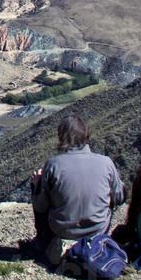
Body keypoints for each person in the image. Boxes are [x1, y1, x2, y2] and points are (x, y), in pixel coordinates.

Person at [29, 113, 126, 267]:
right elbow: (120, 197)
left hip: (62, 231)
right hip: (98, 230)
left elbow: (41, 205)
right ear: (86, 135)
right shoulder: (106, 163)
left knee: (39, 190)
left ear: (61, 137)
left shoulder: (53, 165)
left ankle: (43, 243)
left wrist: (37, 185)